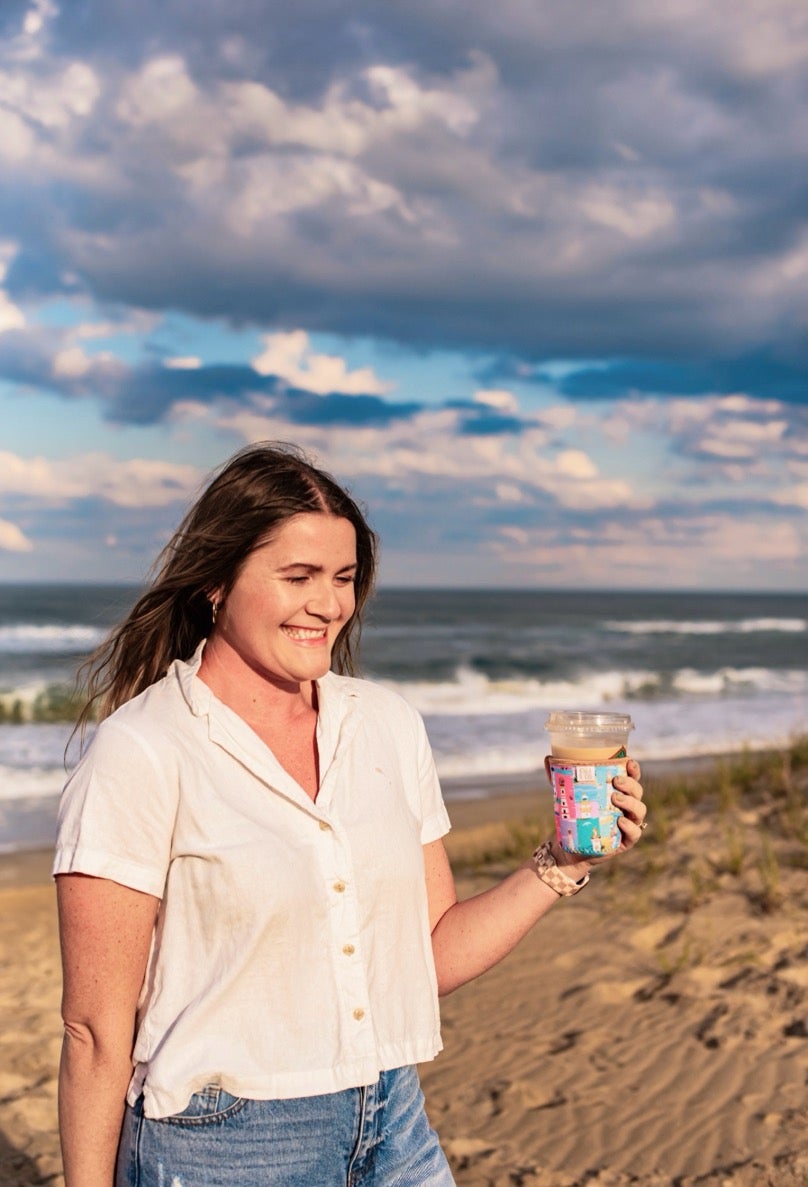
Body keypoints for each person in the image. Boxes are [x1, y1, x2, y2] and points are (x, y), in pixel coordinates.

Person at [54, 441, 647, 1187]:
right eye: (297, 576)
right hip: (224, 1147)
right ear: (215, 581)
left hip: (393, 1117)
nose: (329, 603)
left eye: (342, 577)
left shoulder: (387, 725)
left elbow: (424, 958)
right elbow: (94, 1033)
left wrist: (564, 860)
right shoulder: (141, 751)